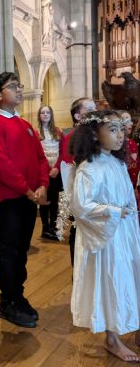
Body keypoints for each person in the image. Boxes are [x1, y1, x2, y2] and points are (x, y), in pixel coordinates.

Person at [68, 110, 140, 363]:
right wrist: (113, 211)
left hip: (125, 232)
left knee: (131, 276)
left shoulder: (117, 163)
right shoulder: (89, 168)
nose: (120, 135)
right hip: (106, 237)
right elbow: (81, 206)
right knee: (112, 282)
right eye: (112, 129)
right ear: (94, 135)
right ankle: (112, 338)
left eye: (121, 129)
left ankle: (135, 325)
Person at [0, 72, 49, 329]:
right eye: (13, 86)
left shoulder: (25, 124)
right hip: (9, 198)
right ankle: (7, 301)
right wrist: (27, 190)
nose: (19, 89)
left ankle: (18, 295)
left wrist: (43, 185)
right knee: (9, 251)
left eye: (20, 85)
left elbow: (40, 158)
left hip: (29, 196)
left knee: (21, 249)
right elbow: (0, 164)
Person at [57, 97, 97, 265]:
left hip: (97, 191)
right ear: (78, 116)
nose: (95, 112)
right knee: (78, 231)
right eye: (90, 109)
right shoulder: (72, 137)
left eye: (95, 108)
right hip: (81, 192)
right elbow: (69, 167)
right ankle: (78, 269)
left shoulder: (98, 134)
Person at [36, 105, 64, 241]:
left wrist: (57, 168)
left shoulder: (58, 131)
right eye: (43, 113)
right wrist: (48, 169)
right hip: (43, 172)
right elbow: (36, 154)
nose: (45, 115)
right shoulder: (36, 132)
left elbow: (63, 152)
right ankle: (45, 228)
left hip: (56, 171)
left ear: (51, 115)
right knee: (44, 200)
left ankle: (53, 226)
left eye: (48, 112)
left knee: (54, 200)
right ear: (39, 115)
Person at [119, 111, 140, 189]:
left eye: (131, 121)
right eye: (127, 121)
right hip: (124, 187)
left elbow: (137, 163)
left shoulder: (133, 143)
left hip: (135, 186)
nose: (131, 123)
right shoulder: (117, 146)